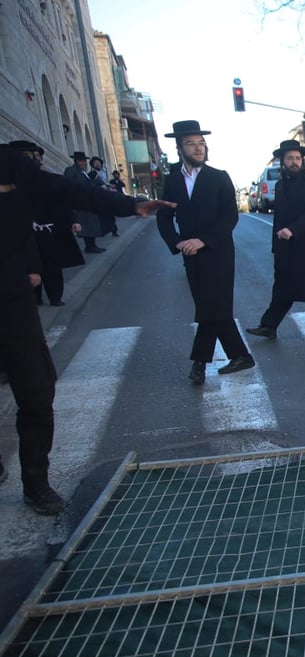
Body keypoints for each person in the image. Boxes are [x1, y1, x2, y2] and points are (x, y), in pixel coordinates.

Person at [0, 145, 174, 514]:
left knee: (36, 389)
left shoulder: (12, 163)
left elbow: (74, 191)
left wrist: (130, 205)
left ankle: (36, 483)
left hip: (11, 301)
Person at [155, 120, 256, 385]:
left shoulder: (218, 177)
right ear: (179, 148)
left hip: (218, 252)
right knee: (210, 307)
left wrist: (203, 240)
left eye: (202, 143)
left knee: (212, 306)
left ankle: (199, 363)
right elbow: (164, 216)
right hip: (191, 256)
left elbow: (230, 217)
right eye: (192, 144)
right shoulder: (173, 181)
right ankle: (240, 355)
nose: (199, 149)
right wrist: (175, 242)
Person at [247, 139, 305, 342]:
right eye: (290, 158)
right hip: (285, 246)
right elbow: (279, 218)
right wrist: (276, 246)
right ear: (282, 161)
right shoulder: (280, 186)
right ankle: (269, 326)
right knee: (283, 287)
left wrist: (294, 229)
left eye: (298, 158)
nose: (295, 162)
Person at [9, 140, 84, 307]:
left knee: (52, 264)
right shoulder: (11, 181)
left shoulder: (46, 178)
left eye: (36, 156)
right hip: (24, 232)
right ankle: (35, 296)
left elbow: (63, 199)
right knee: (29, 266)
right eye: (29, 157)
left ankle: (55, 296)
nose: (35, 160)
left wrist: (73, 220)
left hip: (48, 228)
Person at [62, 151, 106, 253]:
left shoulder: (83, 172)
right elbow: (70, 185)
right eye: (81, 161)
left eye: (84, 161)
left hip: (87, 201)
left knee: (91, 224)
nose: (83, 163)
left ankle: (92, 244)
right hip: (80, 202)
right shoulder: (71, 171)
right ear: (76, 161)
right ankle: (89, 246)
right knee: (87, 225)